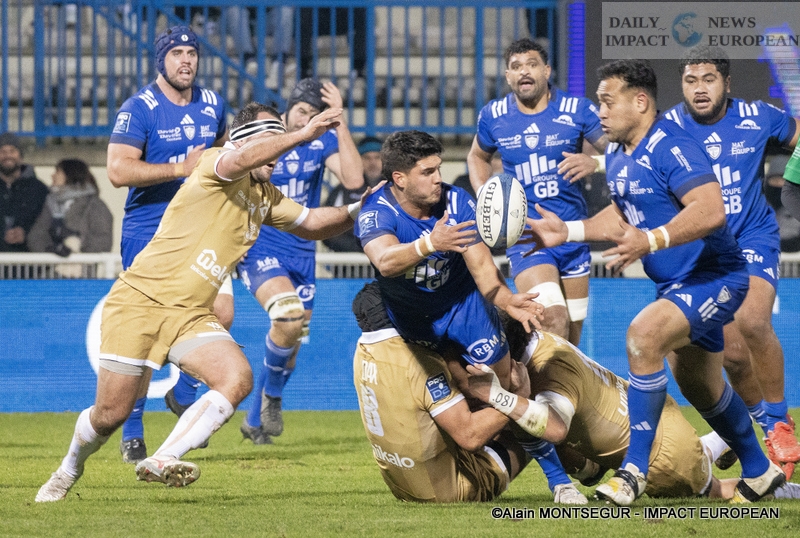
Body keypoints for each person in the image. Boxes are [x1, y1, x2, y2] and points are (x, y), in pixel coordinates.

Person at [35, 102, 365, 503]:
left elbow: (312, 223)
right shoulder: (216, 162)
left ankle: (164, 457)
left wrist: (360, 208)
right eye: (271, 141)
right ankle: (68, 469)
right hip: (140, 302)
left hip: (190, 314)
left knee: (236, 378)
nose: (279, 153)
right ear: (243, 140)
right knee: (109, 415)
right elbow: (240, 159)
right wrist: (301, 134)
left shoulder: (265, 196)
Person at [526, 59, 783, 506]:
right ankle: (760, 471)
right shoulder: (620, 153)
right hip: (676, 284)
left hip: (716, 275)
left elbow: (711, 209)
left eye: (608, 102)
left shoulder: (671, 144)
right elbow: (623, 215)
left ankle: (632, 474)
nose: (601, 112)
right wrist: (568, 231)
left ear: (640, 101)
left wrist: (650, 240)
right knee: (701, 387)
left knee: (643, 337)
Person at [356, 130, 587, 504]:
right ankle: (501, 465)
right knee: (465, 404)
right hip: (416, 326)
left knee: (506, 390)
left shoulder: (457, 202)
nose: (438, 178)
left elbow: (482, 269)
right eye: (427, 172)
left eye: (438, 169)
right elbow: (384, 261)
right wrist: (431, 243)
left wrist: (508, 300)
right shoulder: (376, 212)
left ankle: (559, 480)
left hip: (467, 311)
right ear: (399, 178)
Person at [464, 313, 800, 502]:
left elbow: (553, 428)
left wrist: (497, 396)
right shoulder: (541, 342)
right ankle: (722, 440)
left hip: (663, 458)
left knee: (714, 492)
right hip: (654, 417)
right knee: (533, 422)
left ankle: (779, 486)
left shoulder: (551, 374)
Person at [663, 45, 800, 477]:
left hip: (752, 237)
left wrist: (793, 181)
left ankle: (778, 424)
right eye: (691, 81)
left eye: (708, 79)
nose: (699, 89)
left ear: (726, 83)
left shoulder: (758, 117)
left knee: (753, 322)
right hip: (704, 250)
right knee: (734, 357)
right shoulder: (668, 128)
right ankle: (747, 434)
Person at [105, 26, 230, 464]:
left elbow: (222, 155)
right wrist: (179, 168)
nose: (186, 60)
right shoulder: (140, 108)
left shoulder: (213, 103)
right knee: (144, 335)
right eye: (176, 53)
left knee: (222, 312)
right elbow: (118, 171)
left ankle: (184, 394)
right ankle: (132, 429)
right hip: (150, 231)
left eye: (192, 53)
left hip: (200, 228)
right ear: (161, 60)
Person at [352, 281, 591, 503]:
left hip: (402, 485)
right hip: (455, 487)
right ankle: (581, 472)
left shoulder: (363, 351)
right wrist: (517, 396)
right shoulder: (419, 364)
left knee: (496, 407)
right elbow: (470, 436)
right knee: (527, 414)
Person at [232, 78, 363, 445]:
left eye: (314, 114)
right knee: (286, 319)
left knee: (290, 346)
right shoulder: (264, 137)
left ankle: (256, 418)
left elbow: (354, 179)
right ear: (287, 110)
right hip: (261, 245)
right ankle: (268, 398)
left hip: (303, 251)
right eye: (302, 111)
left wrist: (339, 122)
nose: (306, 119)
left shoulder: (320, 142)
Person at [467, 38, 607, 347]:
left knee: (571, 341)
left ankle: (546, 380)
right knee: (551, 318)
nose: (524, 72)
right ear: (508, 76)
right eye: (516, 67)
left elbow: (622, 154)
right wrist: (485, 194)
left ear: (547, 70)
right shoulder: (494, 115)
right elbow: (477, 156)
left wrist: (595, 162)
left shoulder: (577, 109)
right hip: (528, 238)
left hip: (571, 234)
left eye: (532, 64)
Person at [27, 159, 113, 256]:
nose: (52, 175)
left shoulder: (94, 205)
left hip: (82, 264)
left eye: (58, 171)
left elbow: (102, 239)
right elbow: (36, 235)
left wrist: (77, 247)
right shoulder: (50, 203)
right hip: (50, 264)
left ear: (70, 174)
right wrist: (51, 250)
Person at [323, 136, 383, 252]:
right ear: (359, 160)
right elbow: (327, 229)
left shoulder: (394, 189)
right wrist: (360, 248)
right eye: (367, 158)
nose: (373, 163)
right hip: (349, 260)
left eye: (377, 157)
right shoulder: (343, 190)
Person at [0, 132, 49, 253]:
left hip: (29, 259)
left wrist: (26, 233)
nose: (8, 156)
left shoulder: (39, 189)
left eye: (12, 151)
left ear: (20, 156)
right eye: (3, 152)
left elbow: (48, 222)